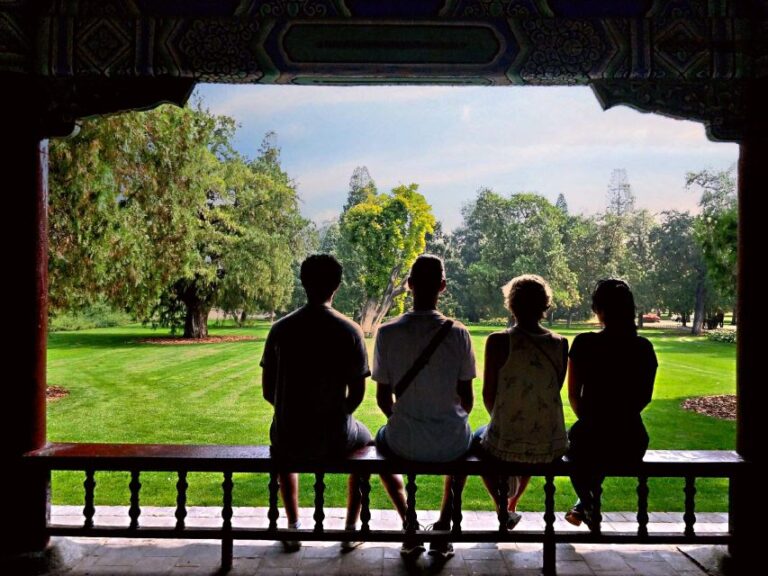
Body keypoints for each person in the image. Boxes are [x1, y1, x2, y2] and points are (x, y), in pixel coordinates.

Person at [261, 254, 372, 553]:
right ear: (336, 285)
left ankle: (294, 525)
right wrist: (336, 414)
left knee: (280, 435)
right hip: (334, 435)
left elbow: (268, 391)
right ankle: (350, 528)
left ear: (303, 282)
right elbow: (358, 394)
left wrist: (295, 410)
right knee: (367, 444)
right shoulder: (349, 330)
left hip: (290, 432)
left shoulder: (281, 329)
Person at [373, 254, 476, 560]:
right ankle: (443, 528)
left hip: (403, 440)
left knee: (378, 443)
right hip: (450, 440)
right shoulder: (459, 333)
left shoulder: (388, 333)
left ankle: (409, 523)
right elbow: (467, 400)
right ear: (442, 286)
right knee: (464, 446)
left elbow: (382, 398)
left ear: (409, 285)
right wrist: (442, 420)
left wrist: (407, 418)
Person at [474, 274, 568, 529]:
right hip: (549, 441)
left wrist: (503, 421)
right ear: (545, 306)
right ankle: (512, 505)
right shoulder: (560, 343)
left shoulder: (498, 341)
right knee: (531, 435)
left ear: (511, 305)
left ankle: (502, 507)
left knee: (476, 442)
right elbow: (554, 388)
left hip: (509, 433)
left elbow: (488, 394)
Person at [565, 279, 657, 528]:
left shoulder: (584, 343)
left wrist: (592, 421)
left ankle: (587, 504)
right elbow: (644, 397)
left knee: (574, 445)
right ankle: (584, 505)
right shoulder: (643, 348)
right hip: (631, 439)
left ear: (600, 310)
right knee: (595, 446)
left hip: (590, 437)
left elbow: (574, 395)